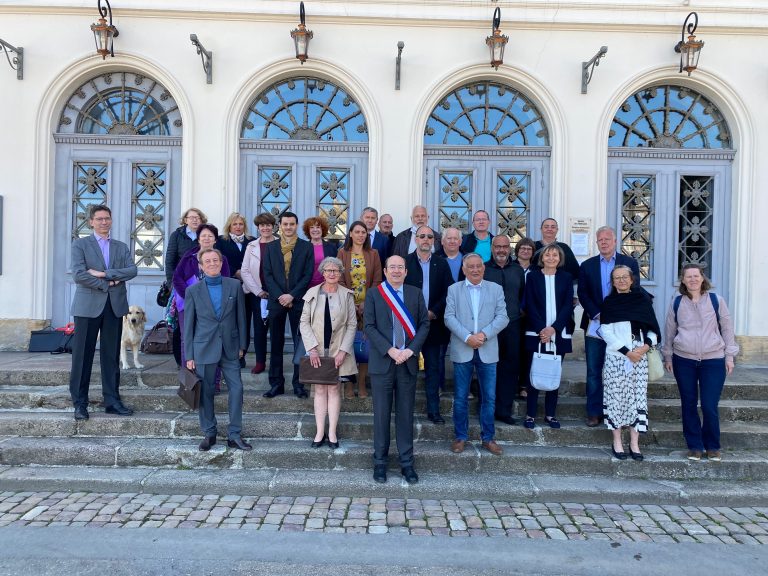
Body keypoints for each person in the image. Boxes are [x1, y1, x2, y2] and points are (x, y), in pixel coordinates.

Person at [662, 263, 739, 462]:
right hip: (684, 360)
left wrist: (730, 356)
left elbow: (727, 329)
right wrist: (668, 355)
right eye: (689, 277)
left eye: (696, 276)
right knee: (688, 404)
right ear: (683, 281)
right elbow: (670, 330)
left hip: (713, 359)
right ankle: (695, 446)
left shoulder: (716, 300)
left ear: (702, 278)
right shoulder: (676, 302)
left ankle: (713, 446)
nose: (693, 280)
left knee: (709, 404)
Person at [363, 255, 429, 484]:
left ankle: (406, 464)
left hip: (407, 362)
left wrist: (410, 351)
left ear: (406, 271)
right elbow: (369, 326)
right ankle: (380, 463)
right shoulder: (374, 294)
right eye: (392, 267)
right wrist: (390, 350)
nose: (397, 271)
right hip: (383, 362)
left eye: (400, 267)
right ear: (385, 270)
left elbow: (424, 325)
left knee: (405, 415)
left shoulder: (415, 293)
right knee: (381, 416)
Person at [69, 204, 138, 421]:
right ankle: (80, 403)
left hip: (114, 307)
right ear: (91, 221)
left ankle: (112, 401)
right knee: (82, 356)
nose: (104, 222)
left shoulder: (120, 246)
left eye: (107, 218)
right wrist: (110, 282)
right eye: (99, 219)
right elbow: (79, 275)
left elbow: (132, 270)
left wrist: (103, 274)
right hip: (87, 307)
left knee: (110, 356)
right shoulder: (80, 245)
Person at [184, 248, 250, 452]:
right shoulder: (193, 291)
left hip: (230, 347)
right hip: (203, 347)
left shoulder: (234, 285)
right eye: (208, 261)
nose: (212, 264)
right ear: (201, 266)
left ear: (221, 263)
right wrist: (189, 355)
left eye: (216, 260)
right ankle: (209, 432)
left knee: (237, 389)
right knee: (206, 391)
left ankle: (234, 434)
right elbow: (188, 324)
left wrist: (242, 345)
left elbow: (241, 317)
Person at [445, 253, 509, 456]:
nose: (474, 270)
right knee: (461, 397)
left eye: (478, 266)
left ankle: (488, 438)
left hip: (487, 349)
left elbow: (503, 317)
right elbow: (449, 317)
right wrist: (467, 337)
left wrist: (483, 335)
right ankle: (460, 437)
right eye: (470, 266)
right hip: (462, 348)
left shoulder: (495, 289)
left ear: (484, 268)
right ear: (463, 269)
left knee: (489, 398)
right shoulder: (453, 289)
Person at [578, 226, 640, 427]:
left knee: (620, 371)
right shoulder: (587, 266)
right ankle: (594, 412)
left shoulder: (629, 263)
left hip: (621, 327)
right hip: (595, 326)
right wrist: (596, 313)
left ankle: (617, 410)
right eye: (600, 240)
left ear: (615, 241)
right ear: (596, 243)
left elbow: (635, 290)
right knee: (594, 371)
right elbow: (583, 293)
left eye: (607, 239)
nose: (603, 242)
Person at [599, 265, 660, 461]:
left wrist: (644, 347)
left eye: (625, 277)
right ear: (613, 282)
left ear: (632, 279)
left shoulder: (642, 300)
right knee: (616, 397)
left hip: (639, 356)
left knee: (637, 397)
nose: (621, 280)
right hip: (617, 357)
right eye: (617, 278)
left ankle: (634, 442)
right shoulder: (609, 303)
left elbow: (653, 329)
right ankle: (617, 440)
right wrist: (626, 352)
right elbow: (605, 332)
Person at [299, 257, 358, 450]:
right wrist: (311, 349)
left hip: (338, 350)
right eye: (328, 270)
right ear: (322, 272)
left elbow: (352, 324)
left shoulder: (347, 295)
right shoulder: (311, 293)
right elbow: (304, 322)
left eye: (336, 270)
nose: (332, 273)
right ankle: (319, 432)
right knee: (319, 390)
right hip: (317, 349)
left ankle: (332, 433)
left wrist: (343, 351)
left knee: (333, 389)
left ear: (340, 273)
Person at [262, 211, 313, 399]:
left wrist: (292, 295)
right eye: (285, 224)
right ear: (280, 226)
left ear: (296, 225)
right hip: (276, 302)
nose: (289, 227)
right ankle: (276, 384)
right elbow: (267, 274)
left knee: (301, 343)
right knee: (276, 343)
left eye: (292, 224)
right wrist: (280, 296)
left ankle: (299, 384)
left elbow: (307, 275)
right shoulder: (271, 247)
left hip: (298, 301)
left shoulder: (306, 247)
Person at [523, 243, 574, 430]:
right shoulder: (533, 276)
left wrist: (554, 329)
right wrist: (542, 330)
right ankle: (530, 414)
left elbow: (568, 306)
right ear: (542, 257)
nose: (551, 258)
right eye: (548, 255)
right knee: (533, 373)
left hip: (559, 334)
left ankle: (550, 415)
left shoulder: (566, 278)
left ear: (560, 259)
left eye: (555, 255)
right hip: (536, 333)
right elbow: (529, 304)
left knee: (554, 373)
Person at [404, 225, 453, 424]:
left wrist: (434, 311)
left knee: (433, 369)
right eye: (422, 236)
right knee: (407, 370)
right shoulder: (405, 262)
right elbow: (398, 291)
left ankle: (433, 411)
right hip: (408, 326)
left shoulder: (441, 264)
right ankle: (405, 410)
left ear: (434, 240)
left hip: (434, 325)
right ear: (415, 239)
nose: (425, 239)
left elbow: (448, 292)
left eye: (429, 236)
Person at [173, 224, 230, 370]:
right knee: (187, 339)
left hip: (212, 305)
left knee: (213, 339)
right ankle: (189, 382)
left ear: (215, 240)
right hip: (187, 303)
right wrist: (190, 297)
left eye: (210, 236)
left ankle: (213, 381)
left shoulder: (221, 259)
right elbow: (177, 277)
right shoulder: (188, 256)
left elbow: (225, 281)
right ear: (198, 239)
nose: (206, 238)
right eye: (203, 235)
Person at [338, 220, 383, 399]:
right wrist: (352, 303)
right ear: (350, 234)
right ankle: (349, 383)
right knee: (348, 345)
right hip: (347, 306)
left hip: (368, 306)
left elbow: (377, 280)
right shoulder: (342, 253)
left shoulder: (373, 254)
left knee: (364, 345)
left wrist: (366, 303)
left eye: (363, 232)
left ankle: (362, 382)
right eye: (357, 232)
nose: (360, 235)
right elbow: (339, 279)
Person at [483, 234, 525, 425]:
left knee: (509, 368)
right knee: (488, 367)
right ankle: (487, 408)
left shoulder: (517, 270)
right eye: (497, 246)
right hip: (489, 327)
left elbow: (522, 295)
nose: (501, 250)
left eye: (504, 247)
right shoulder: (483, 269)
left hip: (512, 326)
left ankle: (504, 410)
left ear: (510, 248)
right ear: (492, 248)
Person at [165, 207, 207, 366]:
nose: (195, 220)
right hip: (181, 285)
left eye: (198, 217)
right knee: (181, 326)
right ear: (185, 220)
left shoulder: (205, 235)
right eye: (191, 217)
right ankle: (180, 360)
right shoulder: (177, 235)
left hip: (202, 286)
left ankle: (198, 359)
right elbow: (170, 261)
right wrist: (171, 283)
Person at [215, 212, 255, 368]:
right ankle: (227, 353)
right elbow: (219, 260)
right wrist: (235, 271)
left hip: (249, 287)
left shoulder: (252, 241)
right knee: (229, 320)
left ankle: (241, 354)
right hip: (229, 285)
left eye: (240, 224)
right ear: (229, 226)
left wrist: (246, 274)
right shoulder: (221, 241)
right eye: (235, 224)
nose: (238, 227)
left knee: (244, 320)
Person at [240, 212, 278, 375]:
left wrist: (276, 291)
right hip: (257, 294)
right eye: (262, 225)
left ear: (273, 226)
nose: (265, 228)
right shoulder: (252, 246)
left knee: (276, 330)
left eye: (268, 225)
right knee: (259, 329)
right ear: (258, 227)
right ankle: (260, 362)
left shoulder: (280, 244)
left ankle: (276, 364)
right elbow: (245, 270)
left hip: (276, 294)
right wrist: (258, 291)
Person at [514, 237, 537, 399]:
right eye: (523, 248)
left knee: (527, 351)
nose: (525, 251)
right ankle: (511, 384)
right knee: (512, 352)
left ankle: (524, 385)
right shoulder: (510, 267)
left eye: (529, 249)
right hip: (512, 316)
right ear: (517, 251)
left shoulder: (537, 270)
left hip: (530, 316)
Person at [303, 216, 338, 289]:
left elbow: (336, 269)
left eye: (318, 227)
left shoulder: (331, 248)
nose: (315, 230)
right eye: (312, 227)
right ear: (308, 230)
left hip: (327, 287)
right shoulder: (303, 248)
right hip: (307, 288)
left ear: (322, 229)